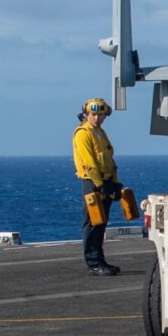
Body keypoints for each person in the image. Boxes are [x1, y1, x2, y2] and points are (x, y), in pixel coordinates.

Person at [72, 98, 122, 276]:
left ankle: (100, 260)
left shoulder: (100, 132)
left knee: (101, 223)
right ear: (87, 114)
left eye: (100, 115)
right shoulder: (83, 133)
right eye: (93, 114)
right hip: (93, 183)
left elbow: (108, 158)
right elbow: (89, 164)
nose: (97, 118)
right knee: (93, 222)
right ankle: (93, 263)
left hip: (104, 181)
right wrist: (100, 185)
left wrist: (115, 181)